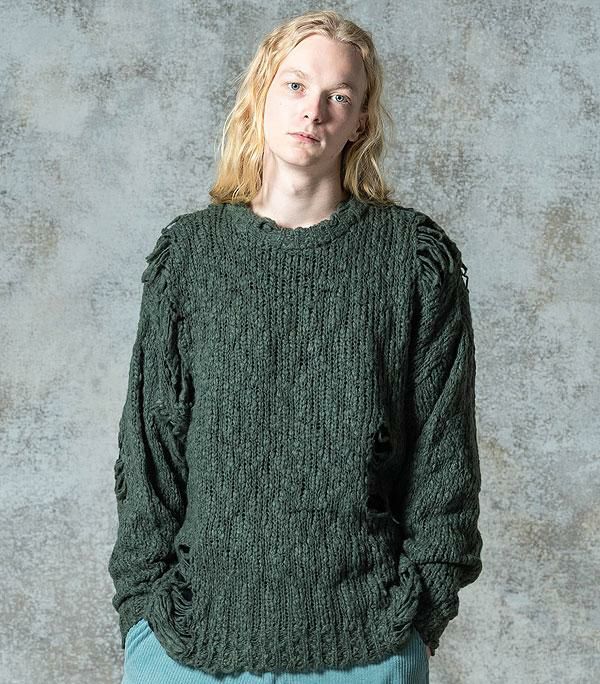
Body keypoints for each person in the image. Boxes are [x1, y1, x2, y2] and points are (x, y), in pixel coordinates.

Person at [108, 10, 483, 684]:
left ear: (359, 121)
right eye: (296, 85)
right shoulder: (189, 258)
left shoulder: (412, 260)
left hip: (368, 643)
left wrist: (419, 613)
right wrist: (142, 614)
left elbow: (444, 454)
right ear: (262, 93)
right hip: (190, 643)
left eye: (339, 95)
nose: (314, 110)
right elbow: (149, 450)